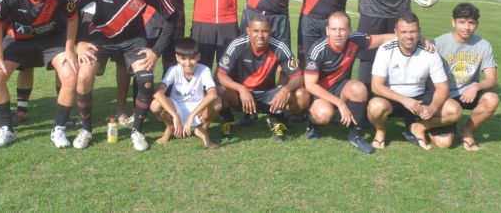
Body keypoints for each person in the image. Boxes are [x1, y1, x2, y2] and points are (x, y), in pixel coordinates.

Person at [74, 0, 176, 151]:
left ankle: (137, 130)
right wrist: (78, 42)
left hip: (133, 40)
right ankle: (86, 129)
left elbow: (172, 16)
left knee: (146, 80)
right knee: (84, 75)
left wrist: (156, 51)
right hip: (99, 38)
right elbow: (69, 11)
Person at [0, 0, 79, 148]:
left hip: (52, 41)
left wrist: (69, 49)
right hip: (18, 40)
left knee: (71, 75)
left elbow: (73, 18)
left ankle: (59, 129)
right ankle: (7, 130)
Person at [304, 11, 401, 155]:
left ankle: (355, 135)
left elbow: (382, 39)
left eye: (342, 29)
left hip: (341, 87)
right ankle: (312, 124)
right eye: (334, 29)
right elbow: (310, 85)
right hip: (320, 92)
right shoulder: (318, 49)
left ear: (349, 30)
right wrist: (340, 103)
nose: (338, 34)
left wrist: (412, 37)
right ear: (327, 31)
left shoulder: (356, 39)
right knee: (324, 114)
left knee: (359, 88)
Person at [367, 12, 461, 151]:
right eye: (404, 32)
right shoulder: (385, 50)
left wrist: (432, 108)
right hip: (393, 99)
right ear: (396, 32)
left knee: (455, 110)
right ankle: (380, 130)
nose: (409, 36)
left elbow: (442, 88)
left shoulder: (430, 52)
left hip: (420, 98)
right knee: (375, 107)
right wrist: (405, 100)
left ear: (419, 32)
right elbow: (376, 86)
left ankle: (419, 127)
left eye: (413, 31)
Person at [217, 14, 309, 142]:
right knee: (219, 91)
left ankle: (278, 119)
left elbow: (298, 77)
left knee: (302, 95)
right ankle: (228, 119)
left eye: (264, 31)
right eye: (256, 31)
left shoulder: (279, 46)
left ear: (270, 32)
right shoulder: (237, 45)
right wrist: (241, 89)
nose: (260, 35)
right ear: (248, 31)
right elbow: (221, 75)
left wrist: (285, 90)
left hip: (268, 95)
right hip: (242, 96)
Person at [430, 3, 499, 151]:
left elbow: (492, 79)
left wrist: (476, 86)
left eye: (471, 23)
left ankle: (467, 131)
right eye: (461, 22)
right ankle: (427, 123)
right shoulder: (438, 43)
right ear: (453, 22)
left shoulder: (484, 45)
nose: (466, 27)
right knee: (444, 144)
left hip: (467, 94)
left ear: (477, 24)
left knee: (492, 99)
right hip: (444, 96)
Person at [150, 37, 221, 148]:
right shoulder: (173, 70)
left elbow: (213, 94)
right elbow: (158, 93)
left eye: (192, 58)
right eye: (183, 58)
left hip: (197, 108)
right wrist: (174, 115)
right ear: (177, 58)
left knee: (217, 102)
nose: (188, 63)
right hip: (176, 106)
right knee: (155, 104)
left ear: (198, 56)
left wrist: (192, 115)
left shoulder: (204, 70)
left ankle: (202, 129)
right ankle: (170, 127)